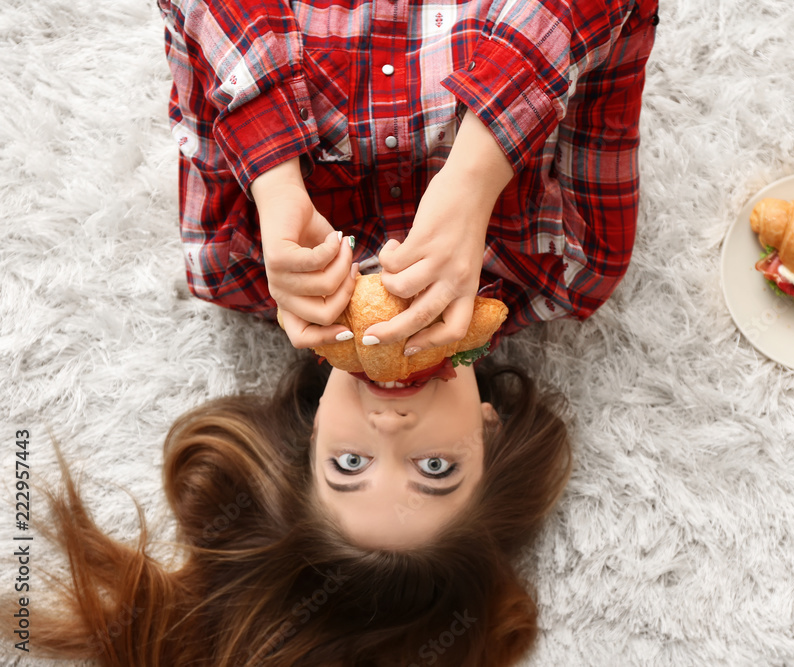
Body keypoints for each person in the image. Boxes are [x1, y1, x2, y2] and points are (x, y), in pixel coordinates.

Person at [33, 0, 658, 663]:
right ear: (487, 430)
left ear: (311, 434)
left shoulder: (230, 257)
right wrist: (481, 168)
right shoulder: (574, 260)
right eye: (436, 469)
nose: (389, 430)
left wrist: (273, 184)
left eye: (350, 465)